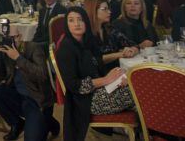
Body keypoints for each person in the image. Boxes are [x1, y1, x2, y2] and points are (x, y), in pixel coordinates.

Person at [55, 7, 134, 141]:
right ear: (66, 25)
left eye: (80, 20)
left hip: (100, 91)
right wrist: (106, 80)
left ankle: (151, 131)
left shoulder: (86, 41)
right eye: (71, 20)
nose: (76, 24)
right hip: (86, 102)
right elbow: (74, 86)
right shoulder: (66, 48)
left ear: (86, 21)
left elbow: (97, 65)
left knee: (136, 87)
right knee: (139, 92)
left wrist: (117, 79)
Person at [0, 33, 59, 140]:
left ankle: (50, 122)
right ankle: (17, 123)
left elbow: (42, 75)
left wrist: (18, 58)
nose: (12, 41)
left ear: (22, 36)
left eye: (15, 37)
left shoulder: (34, 48)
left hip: (36, 100)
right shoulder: (6, 49)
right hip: (18, 97)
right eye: (8, 37)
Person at [84, 0, 138, 72]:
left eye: (108, 8)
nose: (109, 12)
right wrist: (120, 54)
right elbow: (93, 60)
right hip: (98, 76)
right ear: (93, 11)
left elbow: (133, 44)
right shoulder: (85, 33)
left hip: (117, 71)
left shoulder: (109, 29)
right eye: (104, 9)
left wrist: (132, 50)